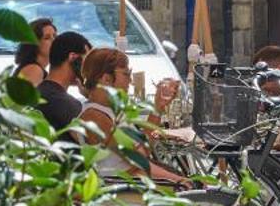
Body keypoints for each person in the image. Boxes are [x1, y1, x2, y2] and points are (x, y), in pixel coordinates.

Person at [77, 48, 189, 185]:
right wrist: (180, 181)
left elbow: (143, 150)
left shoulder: (108, 110)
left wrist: (158, 108)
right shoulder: (95, 116)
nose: (130, 81)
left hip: (134, 183)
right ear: (106, 79)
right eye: (126, 74)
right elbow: (139, 159)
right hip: (122, 191)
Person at [37, 31, 89, 132]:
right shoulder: (66, 104)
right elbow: (97, 139)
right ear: (73, 57)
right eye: (86, 60)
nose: (89, 68)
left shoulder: (36, 93)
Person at [11, 17, 56, 87]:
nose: (54, 41)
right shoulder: (34, 70)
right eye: (47, 38)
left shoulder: (34, 68)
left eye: (55, 36)